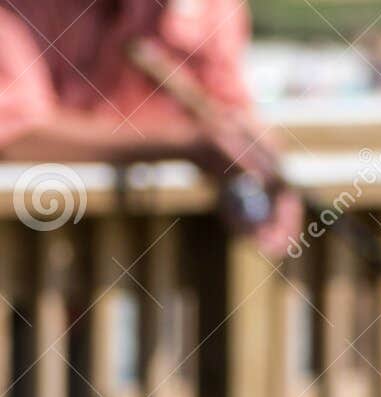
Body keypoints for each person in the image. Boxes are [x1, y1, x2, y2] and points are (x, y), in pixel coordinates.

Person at [0, 0, 298, 254]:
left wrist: (259, 161)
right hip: (34, 271)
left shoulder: (210, 6)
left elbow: (231, 106)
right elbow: (14, 131)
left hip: (155, 276)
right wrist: (185, 145)